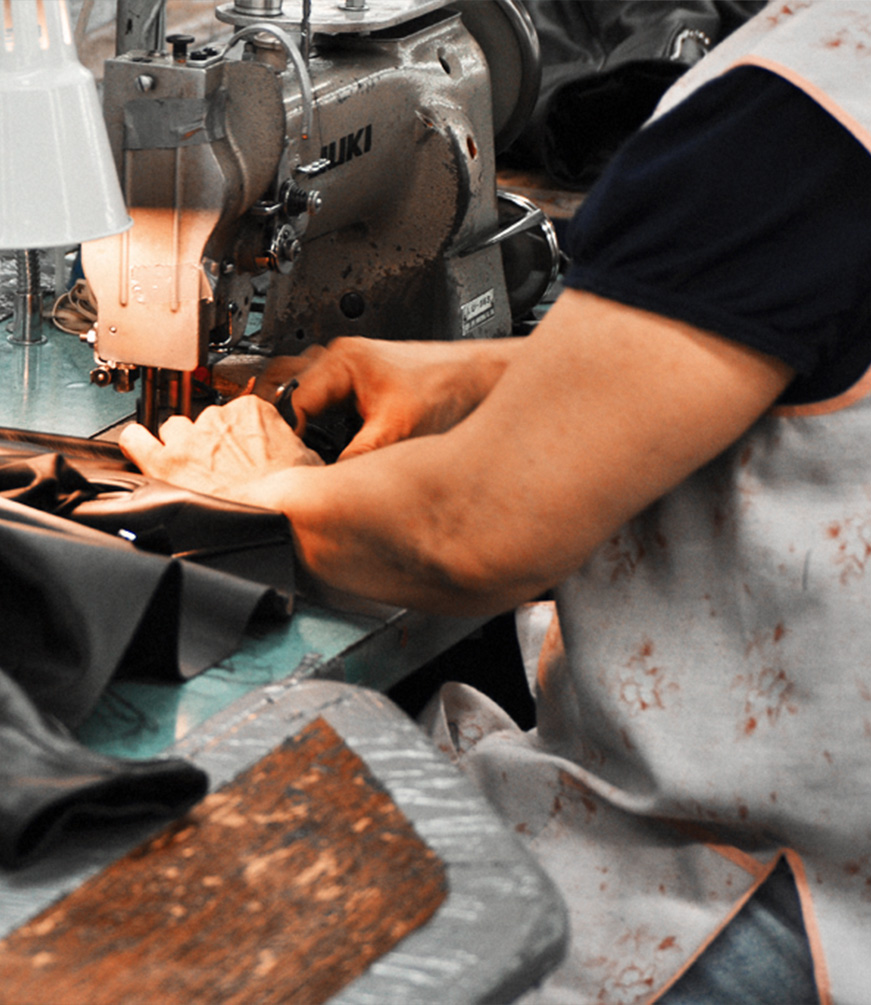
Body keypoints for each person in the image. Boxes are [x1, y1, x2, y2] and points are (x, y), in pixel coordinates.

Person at [119, 3, 871, 1002]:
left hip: (763, 894)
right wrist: (500, 375)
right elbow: (809, 346)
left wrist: (248, 498)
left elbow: (467, 531)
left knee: (161, 905)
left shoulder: (790, 120)